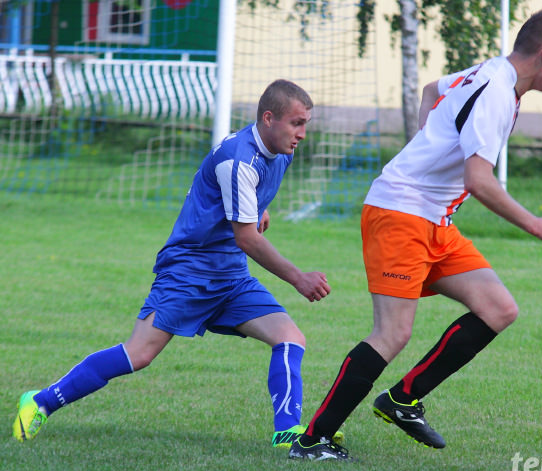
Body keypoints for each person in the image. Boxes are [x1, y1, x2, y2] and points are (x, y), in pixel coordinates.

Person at [289, 9, 542, 461]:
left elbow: (431, 90)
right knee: (392, 333)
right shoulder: (497, 92)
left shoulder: (492, 73)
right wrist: (534, 224)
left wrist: (426, 146)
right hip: (400, 214)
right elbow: (480, 180)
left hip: (433, 219)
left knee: (498, 308)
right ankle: (313, 441)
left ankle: (403, 399)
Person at [13, 79, 332, 450]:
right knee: (139, 354)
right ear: (268, 118)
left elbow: (247, 202)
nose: (303, 134)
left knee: (291, 338)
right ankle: (40, 401)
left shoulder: (281, 151)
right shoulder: (237, 159)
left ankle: (288, 433)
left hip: (230, 275)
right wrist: (298, 278)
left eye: (305, 123)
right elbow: (246, 238)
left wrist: (258, 208)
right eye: (296, 123)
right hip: (189, 271)